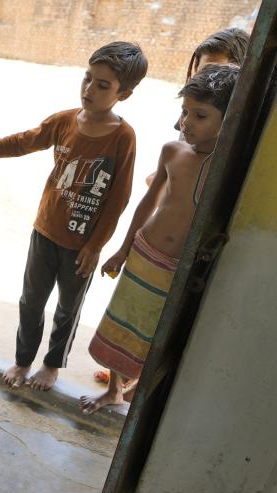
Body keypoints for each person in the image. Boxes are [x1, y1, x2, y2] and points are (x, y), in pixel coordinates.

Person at [0, 42, 147, 392]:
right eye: (87, 79)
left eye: (103, 85)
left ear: (124, 95)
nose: (89, 90)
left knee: (67, 309)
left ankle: (52, 365)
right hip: (45, 232)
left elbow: (119, 198)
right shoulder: (65, 121)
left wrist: (96, 245)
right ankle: (23, 360)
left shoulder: (123, 137)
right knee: (31, 300)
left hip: (82, 245)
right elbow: (24, 141)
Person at [80, 65, 239, 414]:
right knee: (124, 321)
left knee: (154, 332)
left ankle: (139, 391)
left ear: (229, 119)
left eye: (200, 115)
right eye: (185, 112)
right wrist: (122, 250)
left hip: (176, 268)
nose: (187, 122)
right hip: (144, 253)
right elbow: (147, 203)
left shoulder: (225, 168)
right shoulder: (172, 151)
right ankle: (113, 389)